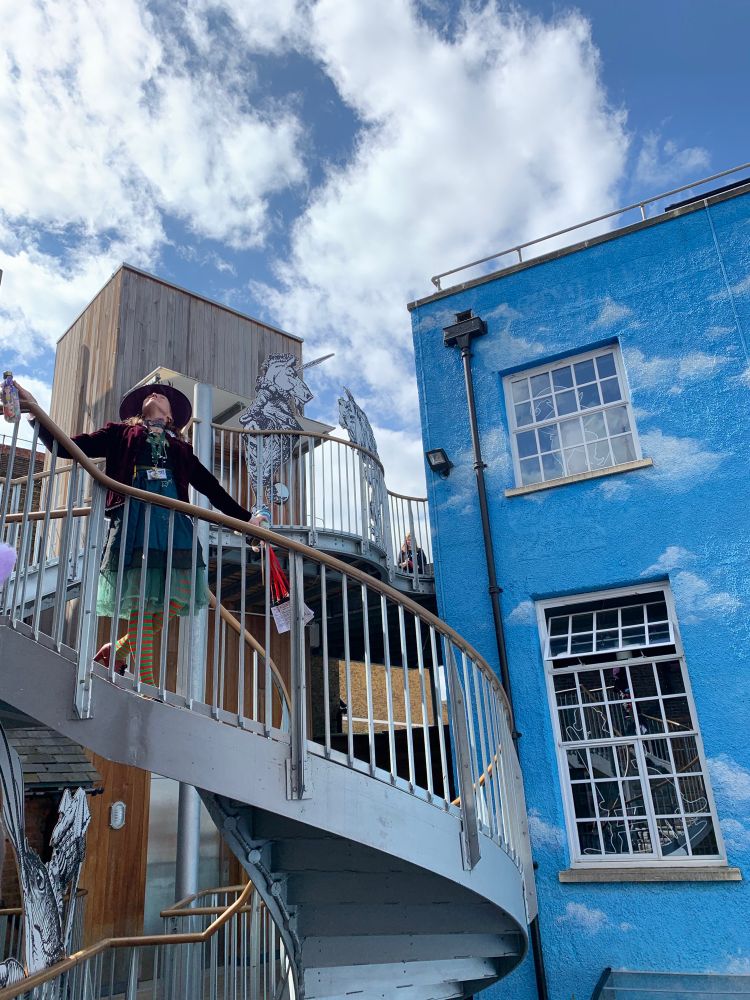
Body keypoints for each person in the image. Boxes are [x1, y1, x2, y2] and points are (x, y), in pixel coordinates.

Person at [17, 381, 268, 686]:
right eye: (149, 393)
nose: (154, 394)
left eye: (161, 394)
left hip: (174, 524)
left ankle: (119, 648)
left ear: (172, 415)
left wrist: (246, 522)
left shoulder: (181, 448)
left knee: (183, 593)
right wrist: (33, 410)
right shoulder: (118, 433)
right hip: (136, 518)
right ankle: (146, 687)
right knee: (141, 603)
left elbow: (213, 489)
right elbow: (68, 446)